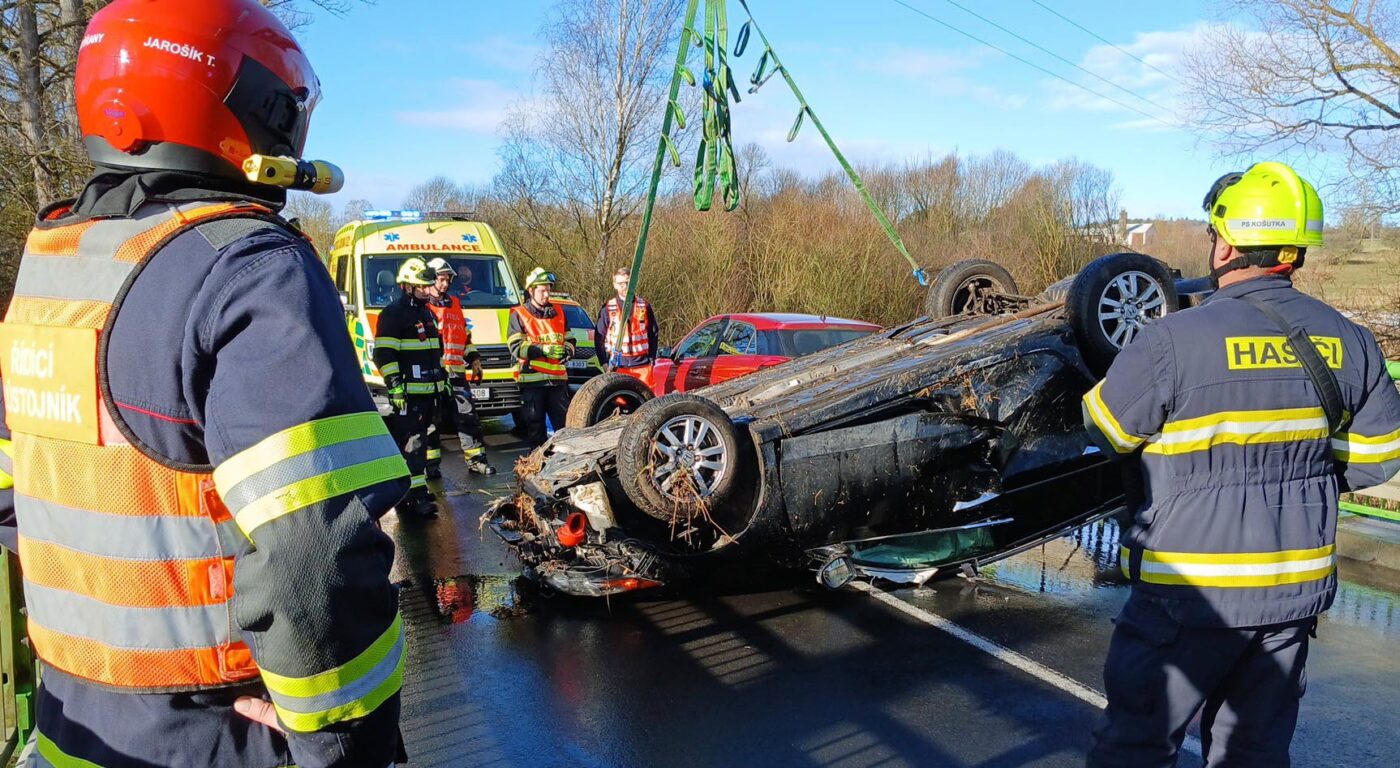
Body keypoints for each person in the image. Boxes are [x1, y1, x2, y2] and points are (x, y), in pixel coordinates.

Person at [0, 2, 410, 766]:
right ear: (256, 106)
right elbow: (309, 555)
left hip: (70, 728)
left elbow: (18, 495)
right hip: (221, 737)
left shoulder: (54, 266)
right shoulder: (250, 268)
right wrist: (347, 740)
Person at [1083, 162, 1400, 767]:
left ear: (1225, 241)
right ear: (1295, 250)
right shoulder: (1352, 339)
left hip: (1187, 596)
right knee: (1252, 754)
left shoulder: (1169, 339)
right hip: (1290, 594)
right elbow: (1383, 455)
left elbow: (1106, 428)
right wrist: (1305, 476)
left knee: (1137, 749)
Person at [373, 258, 450, 517]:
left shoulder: (425, 313)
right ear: (407, 286)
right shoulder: (394, 314)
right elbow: (384, 354)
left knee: (422, 443)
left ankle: (417, 490)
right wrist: (395, 386)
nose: (428, 290)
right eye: (422, 286)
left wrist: (444, 380)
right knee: (411, 445)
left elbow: (433, 353)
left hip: (429, 393)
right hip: (409, 395)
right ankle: (410, 499)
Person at [423, 258, 494, 477]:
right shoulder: (423, 306)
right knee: (432, 420)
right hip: (434, 374)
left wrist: (474, 360)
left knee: (468, 416)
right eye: (441, 279)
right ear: (432, 279)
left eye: (447, 280)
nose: (445, 284)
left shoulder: (454, 303)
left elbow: (464, 337)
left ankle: (476, 461)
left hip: (456, 372)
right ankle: (430, 466)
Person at [508, 268, 575, 448]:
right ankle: (537, 468)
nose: (547, 294)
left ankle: (563, 465)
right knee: (535, 428)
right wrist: (543, 350)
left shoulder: (559, 312)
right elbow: (515, 347)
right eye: (542, 290)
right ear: (531, 291)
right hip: (532, 381)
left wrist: (567, 352)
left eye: (548, 289)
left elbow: (569, 339)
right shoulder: (519, 314)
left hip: (557, 381)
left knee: (563, 427)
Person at [597, 267, 660, 387]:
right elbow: (599, 337)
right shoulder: (608, 308)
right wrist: (604, 363)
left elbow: (653, 333)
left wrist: (652, 358)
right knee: (620, 400)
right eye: (621, 283)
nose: (625, 286)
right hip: (618, 365)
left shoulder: (644, 306)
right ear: (615, 285)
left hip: (643, 365)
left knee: (645, 400)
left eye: (627, 283)